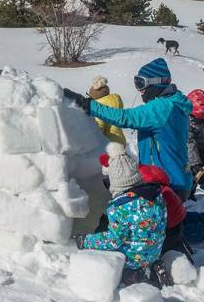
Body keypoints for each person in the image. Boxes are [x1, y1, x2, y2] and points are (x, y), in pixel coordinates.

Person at [64, 58, 193, 196]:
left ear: (157, 83)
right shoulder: (174, 102)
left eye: (141, 83)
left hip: (168, 182)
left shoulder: (162, 108)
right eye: (136, 82)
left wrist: (86, 104)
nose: (139, 90)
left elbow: (124, 117)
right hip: (175, 178)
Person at [74, 143, 168, 286]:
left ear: (115, 182)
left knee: (122, 272)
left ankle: (139, 275)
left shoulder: (120, 208)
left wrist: (86, 240)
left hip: (134, 257)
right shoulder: (155, 195)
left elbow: (113, 240)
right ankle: (154, 266)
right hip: (155, 250)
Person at [87, 76, 126, 145]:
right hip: (120, 140)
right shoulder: (115, 101)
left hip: (109, 145)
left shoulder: (99, 109)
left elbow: (98, 130)